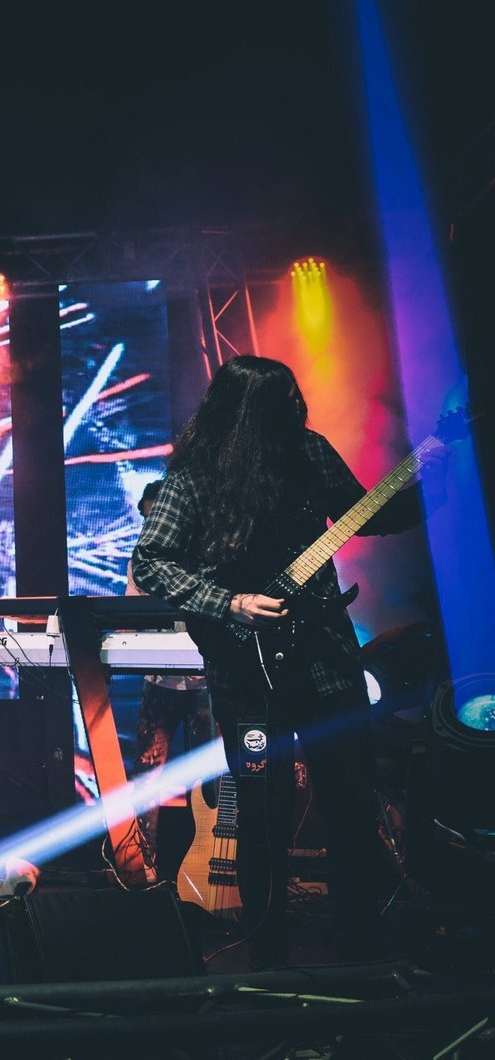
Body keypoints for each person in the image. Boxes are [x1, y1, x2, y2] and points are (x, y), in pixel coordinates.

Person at [132, 356, 439, 967]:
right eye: (280, 403)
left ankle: (361, 951)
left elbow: (368, 515)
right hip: (245, 670)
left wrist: (434, 483)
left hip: (325, 656)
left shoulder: (309, 453)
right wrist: (231, 602)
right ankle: (264, 958)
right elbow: (151, 562)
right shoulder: (193, 477)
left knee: (350, 801)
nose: (294, 412)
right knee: (259, 813)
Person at [126, 479, 215, 868]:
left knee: (212, 776)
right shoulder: (142, 561)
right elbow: (130, 614)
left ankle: (212, 861)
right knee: (147, 774)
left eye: (154, 517)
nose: (149, 526)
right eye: (145, 519)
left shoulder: (207, 556)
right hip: (161, 679)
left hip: (207, 679)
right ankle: (141, 865)